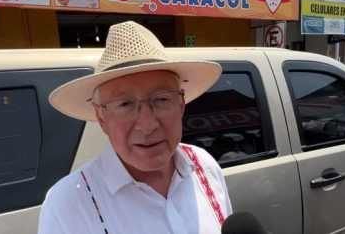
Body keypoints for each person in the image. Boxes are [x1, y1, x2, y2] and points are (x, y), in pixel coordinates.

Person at [39, 21, 232, 233]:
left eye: (162, 99)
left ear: (181, 105)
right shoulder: (67, 206)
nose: (148, 125)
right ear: (101, 117)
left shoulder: (205, 166)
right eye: (125, 104)